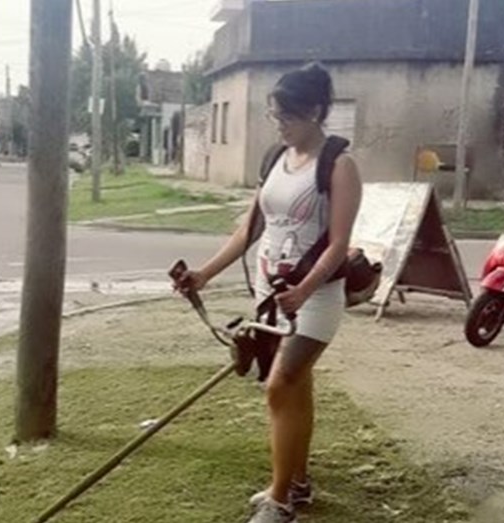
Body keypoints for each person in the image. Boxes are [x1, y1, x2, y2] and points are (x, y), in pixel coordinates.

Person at [176, 63, 362, 523]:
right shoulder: (275, 159)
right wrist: (204, 275)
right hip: (271, 296)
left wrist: (304, 290)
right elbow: (250, 228)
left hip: (313, 298)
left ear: (316, 111)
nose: (278, 124)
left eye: (287, 116)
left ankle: (279, 501)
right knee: (296, 387)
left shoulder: (339, 166)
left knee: (279, 386)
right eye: (274, 115)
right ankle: (296, 481)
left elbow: (339, 243)